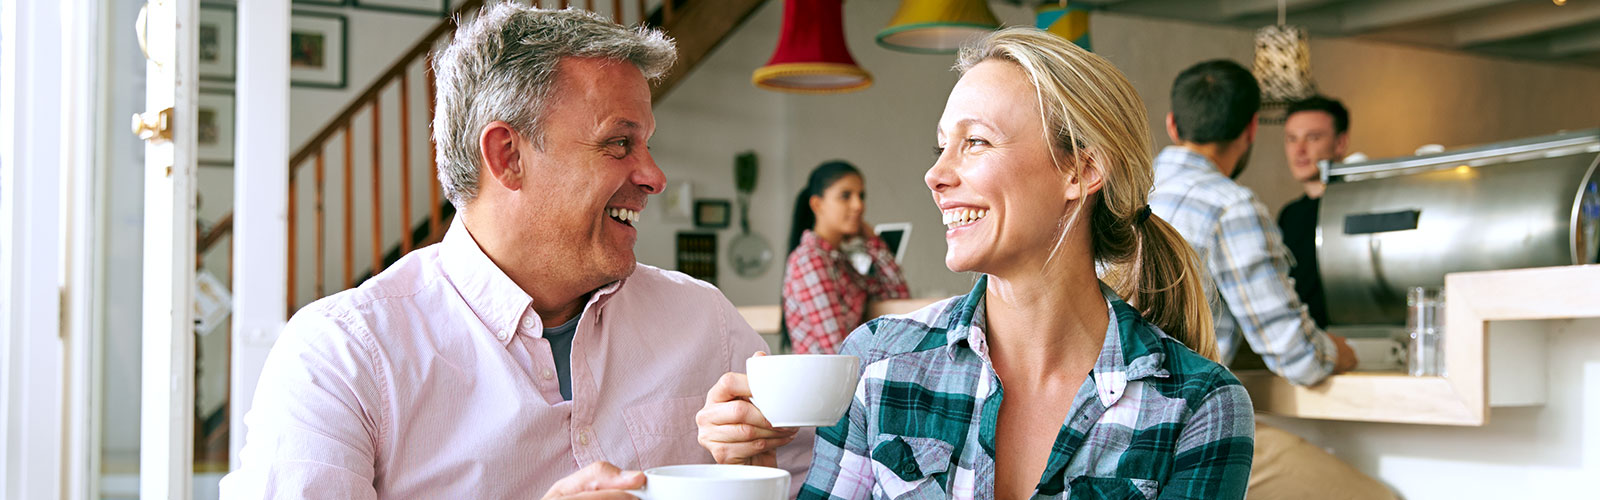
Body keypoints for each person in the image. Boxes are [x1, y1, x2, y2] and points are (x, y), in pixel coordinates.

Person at [220, 6, 810, 499]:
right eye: (619, 144)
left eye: (646, 145)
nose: (654, 176)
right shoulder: (343, 356)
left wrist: (756, 477)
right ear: (507, 156)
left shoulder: (706, 323)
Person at [697, 28, 1255, 498]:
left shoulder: (1200, 406)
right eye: (941, 146)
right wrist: (745, 477)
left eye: (977, 143)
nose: (935, 175)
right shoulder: (877, 364)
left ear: (1080, 172)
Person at [1150, 61, 1393, 499]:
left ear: (1171, 124)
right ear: (1251, 130)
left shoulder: (1120, 191)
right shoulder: (1230, 206)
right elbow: (1295, 355)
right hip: (1182, 432)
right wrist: (1343, 353)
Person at [781, 160, 910, 354]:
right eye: (845, 196)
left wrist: (874, 242)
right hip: (826, 381)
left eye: (861, 196)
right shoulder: (810, 260)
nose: (858, 205)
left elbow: (898, 299)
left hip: (847, 374)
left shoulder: (839, 261)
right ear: (817, 204)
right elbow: (837, 350)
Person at [1277, 95, 1350, 328]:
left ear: (1340, 143)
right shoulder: (1289, 215)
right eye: (1291, 139)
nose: (1299, 150)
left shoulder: (1355, 206)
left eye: (1313, 138)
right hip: (1307, 343)